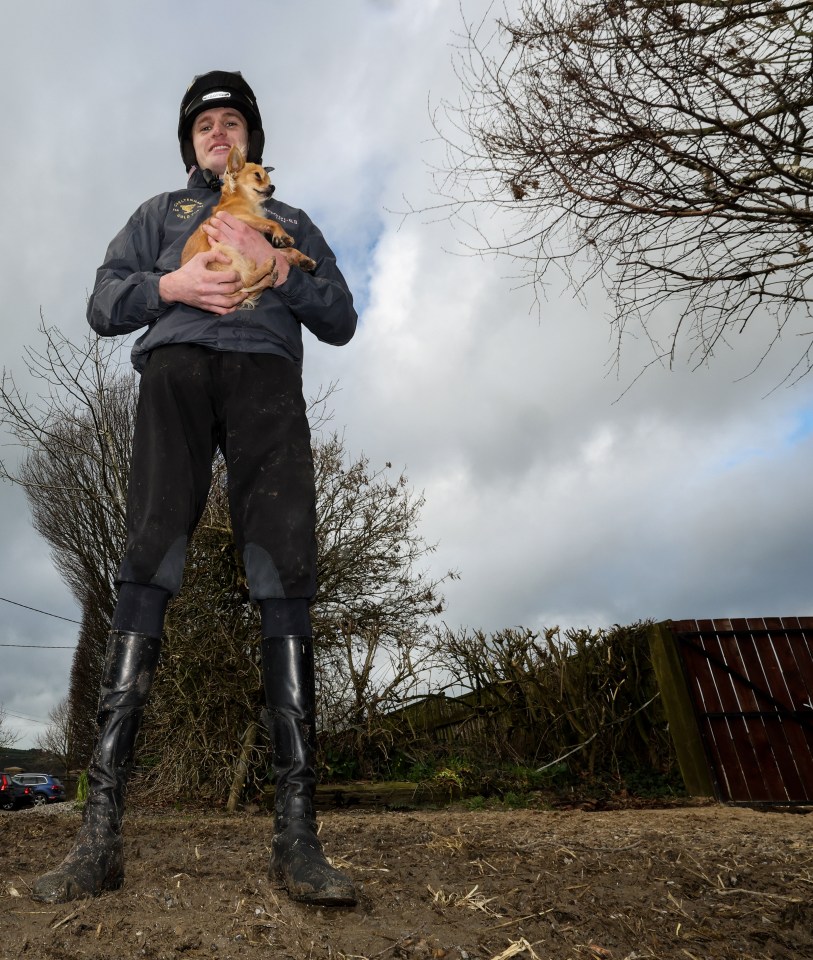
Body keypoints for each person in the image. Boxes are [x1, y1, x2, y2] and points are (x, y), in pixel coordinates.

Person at [32, 70, 358, 907]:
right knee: (146, 560)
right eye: (205, 125)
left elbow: (341, 318)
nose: (219, 133)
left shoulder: (289, 221)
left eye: (233, 123)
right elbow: (104, 301)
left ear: (253, 140)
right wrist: (170, 286)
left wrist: (280, 273)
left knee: (284, 570)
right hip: (173, 371)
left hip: (265, 378)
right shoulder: (159, 216)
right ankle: (99, 839)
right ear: (190, 144)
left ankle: (298, 839)